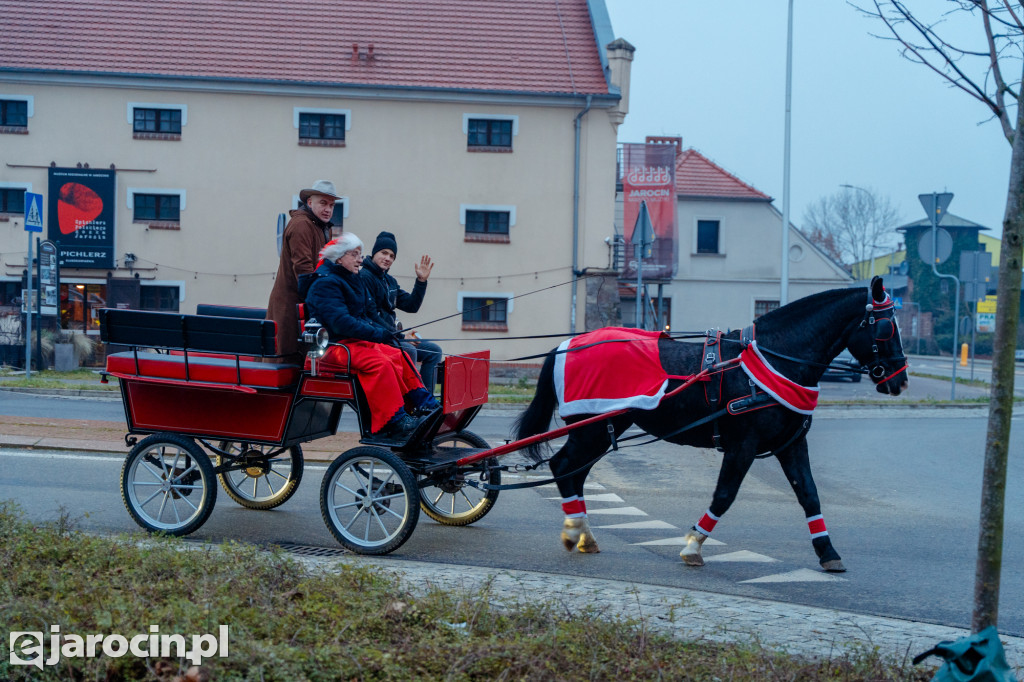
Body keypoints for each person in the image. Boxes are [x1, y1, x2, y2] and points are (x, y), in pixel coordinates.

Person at [304, 233, 439, 442]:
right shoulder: (326, 284)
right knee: (380, 363)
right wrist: (379, 333)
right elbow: (342, 323)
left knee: (398, 355)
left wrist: (385, 334)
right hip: (333, 347)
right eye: (354, 255)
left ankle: (423, 403)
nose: (360, 259)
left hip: (352, 342)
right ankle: (394, 420)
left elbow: (366, 315)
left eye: (360, 255)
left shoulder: (351, 279)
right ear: (339, 258)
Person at [266, 179, 341, 363]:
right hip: (291, 306)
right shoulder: (301, 225)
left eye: (331, 205)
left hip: (305, 303)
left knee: (303, 359)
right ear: (309, 202)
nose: (328, 209)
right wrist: (325, 300)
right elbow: (303, 269)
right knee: (287, 359)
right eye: (323, 203)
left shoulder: (322, 227)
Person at [359, 230, 443, 393]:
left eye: (392, 256)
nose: (388, 258)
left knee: (433, 351)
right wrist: (402, 337)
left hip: (393, 337)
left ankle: (427, 398)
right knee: (409, 349)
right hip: (377, 337)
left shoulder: (389, 281)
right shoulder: (365, 277)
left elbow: (412, 306)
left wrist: (421, 282)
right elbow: (372, 317)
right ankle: (411, 399)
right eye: (384, 253)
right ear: (374, 253)